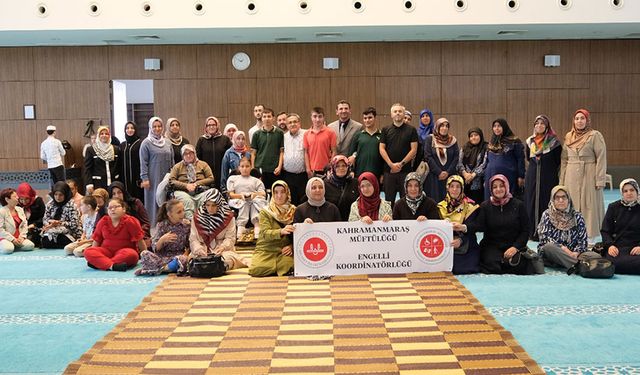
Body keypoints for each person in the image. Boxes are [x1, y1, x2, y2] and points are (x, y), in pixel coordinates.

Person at [465, 174, 537, 275]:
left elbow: (525, 230)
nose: (498, 189)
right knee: (492, 264)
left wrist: (515, 247)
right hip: (492, 246)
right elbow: (478, 226)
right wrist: (464, 227)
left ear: (507, 186)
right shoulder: (485, 206)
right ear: (491, 189)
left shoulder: (518, 205)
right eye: (495, 187)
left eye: (501, 186)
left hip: (512, 245)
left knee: (520, 265)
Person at [560, 109, 607, 243]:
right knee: (572, 204)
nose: (579, 121)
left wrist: (599, 179)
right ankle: (573, 234)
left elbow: (601, 157)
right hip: (571, 174)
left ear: (587, 120)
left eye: (582, 118)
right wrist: (562, 180)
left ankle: (590, 236)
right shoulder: (569, 136)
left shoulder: (595, 135)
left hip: (589, 172)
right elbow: (564, 159)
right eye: (577, 118)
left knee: (589, 204)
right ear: (573, 121)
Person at [190, 189, 250, 271]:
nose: (210, 208)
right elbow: (193, 239)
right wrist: (199, 250)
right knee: (192, 260)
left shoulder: (228, 217)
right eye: (208, 205)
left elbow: (230, 238)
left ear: (219, 204)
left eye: (214, 205)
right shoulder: (197, 218)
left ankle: (220, 267)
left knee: (228, 259)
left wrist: (222, 248)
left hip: (223, 250)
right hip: (202, 250)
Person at [524, 115, 562, 240]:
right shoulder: (530, 142)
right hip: (532, 177)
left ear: (547, 126)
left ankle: (547, 232)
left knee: (547, 203)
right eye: (537, 123)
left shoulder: (554, 142)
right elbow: (528, 158)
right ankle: (532, 232)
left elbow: (558, 161)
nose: (539, 126)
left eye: (542, 124)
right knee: (531, 202)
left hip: (548, 178)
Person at [84, 197, 146, 271]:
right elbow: (97, 240)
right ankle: (113, 266)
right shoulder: (103, 221)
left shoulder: (130, 221)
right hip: (106, 251)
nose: (113, 209)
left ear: (124, 209)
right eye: (110, 208)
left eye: (116, 207)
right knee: (88, 251)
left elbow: (140, 241)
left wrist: (145, 256)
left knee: (132, 255)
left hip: (124, 252)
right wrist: (94, 253)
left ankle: (101, 264)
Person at [249, 181, 296, 277]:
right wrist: (281, 231)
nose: (279, 196)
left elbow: (299, 234)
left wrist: (291, 246)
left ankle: (276, 268)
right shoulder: (265, 212)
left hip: (284, 250)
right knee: (256, 269)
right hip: (266, 249)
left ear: (287, 193)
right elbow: (265, 233)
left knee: (291, 265)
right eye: (276, 192)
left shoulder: (294, 211)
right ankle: (277, 269)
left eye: (283, 192)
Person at [537, 185, 589, 270]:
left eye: (564, 197)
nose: (561, 200)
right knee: (549, 247)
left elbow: (583, 240)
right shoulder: (547, 215)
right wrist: (565, 249)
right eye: (557, 198)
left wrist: (575, 252)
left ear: (568, 199)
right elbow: (545, 239)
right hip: (554, 252)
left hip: (574, 253)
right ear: (552, 200)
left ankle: (571, 263)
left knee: (593, 255)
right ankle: (579, 266)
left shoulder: (577, 216)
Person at [438, 176, 481, 274]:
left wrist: (461, 240)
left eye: (458, 186)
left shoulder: (470, 206)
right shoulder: (440, 206)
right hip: (446, 244)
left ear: (462, 188)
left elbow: (474, 228)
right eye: (452, 186)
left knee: (464, 268)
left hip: (466, 242)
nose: (454, 189)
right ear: (447, 188)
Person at [136, 199, 190, 276]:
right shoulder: (161, 225)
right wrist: (162, 240)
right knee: (145, 254)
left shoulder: (186, 225)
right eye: (179, 212)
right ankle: (165, 268)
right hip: (161, 258)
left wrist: (185, 255)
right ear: (170, 214)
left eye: (183, 210)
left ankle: (160, 269)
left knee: (183, 259)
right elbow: (155, 248)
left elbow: (189, 246)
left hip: (177, 257)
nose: (183, 214)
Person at [379, 103, 418, 204]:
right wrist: (391, 164)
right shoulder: (385, 130)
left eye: (400, 111)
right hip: (389, 171)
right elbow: (381, 149)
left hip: (405, 171)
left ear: (404, 114)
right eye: (395, 111)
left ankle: (405, 220)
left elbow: (413, 150)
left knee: (406, 200)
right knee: (388, 200)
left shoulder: (412, 130)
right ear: (391, 115)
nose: (397, 113)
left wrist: (401, 164)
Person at [140, 116, 175, 227]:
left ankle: (166, 224)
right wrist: (144, 178)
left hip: (166, 176)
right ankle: (153, 226)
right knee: (153, 200)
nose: (157, 128)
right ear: (150, 128)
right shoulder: (146, 143)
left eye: (159, 126)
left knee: (166, 199)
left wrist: (173, 175)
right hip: (152, 177)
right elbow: (143, 162)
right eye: (154, 126)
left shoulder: (167, 142)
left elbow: (172, 160)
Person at [601, 178, 640, 275]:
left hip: (636, 247)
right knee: (612, 264)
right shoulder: (613, 207)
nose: (629, 193)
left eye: (632, 190)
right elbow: (605, 231)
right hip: (618, 248)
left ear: (637, 191)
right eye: (625, 191)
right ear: (622, 193)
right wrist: (610, 246)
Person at [168, 144, 214, 220]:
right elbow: (171, 180)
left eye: (191, 153)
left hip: (200, 190)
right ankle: (191, 223)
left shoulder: (203, 164)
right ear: (182, 156)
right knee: (187, 201)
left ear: (195, 153)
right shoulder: (177, 166)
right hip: (183, 191)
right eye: (185, 154)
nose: (188, 155)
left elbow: (211, 178)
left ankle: (205, 221)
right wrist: (186, 185)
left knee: (212, 193)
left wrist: (196, 184)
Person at [484, 118, 525, 201]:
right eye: (494, 126)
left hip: (509, 175)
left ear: (504, 127)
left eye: (499, 126)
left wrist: (521, 176)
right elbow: (487, 160)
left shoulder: (514, 141)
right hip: (491, 175)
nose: (496, 128)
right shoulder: (491, 142)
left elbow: (520, 158)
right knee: (491, 200)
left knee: (507, 199)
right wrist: (485, 178)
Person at [227, 157, 267, 240]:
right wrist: (241, 196)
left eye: (247, 166)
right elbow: (231, 194)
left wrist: (254, 194)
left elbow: (263, 193)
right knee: (244, 203)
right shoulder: (233, 179)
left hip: (253, 199)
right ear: (239, 168)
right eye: (242, 166)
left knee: (255, 202)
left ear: (251, 167)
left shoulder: (256, 180)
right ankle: (241, 226)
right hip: (239, 199)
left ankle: (257, 225)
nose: (244, 169)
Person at [423, 117, 459, 202]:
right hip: (434, 176)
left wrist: (447, 172)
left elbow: (456, 157)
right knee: (434, 201)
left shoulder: (452, 140)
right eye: (442, 126)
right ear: (437, 127)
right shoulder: (430, 139)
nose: (445, 128)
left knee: (450, 200)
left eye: (447, 126)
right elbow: (428, 156)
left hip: (449, 176)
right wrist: (439, 172)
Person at [251, 108, 284, 192]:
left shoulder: (279, 133)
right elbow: (253, 153)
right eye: (264, 116)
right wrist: (253, 168)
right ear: (261, 119)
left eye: (269, 116)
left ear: (273, 118)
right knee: (262, 193)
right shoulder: (256, 134)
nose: (266, 119)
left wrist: (279, 166)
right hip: (261, 169)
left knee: (275, 192)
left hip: (275, 169)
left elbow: (281, 152)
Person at [41, 181, 82, 249]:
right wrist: (50, 224)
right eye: (56, 194)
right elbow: (45, 219)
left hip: (69, 232)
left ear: (65, 194)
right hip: (52, 230)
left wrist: (60, 223)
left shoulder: (72, 206)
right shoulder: (50, 205)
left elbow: (74, 224)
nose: (58, 197)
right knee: (45, 241)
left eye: (61, 195)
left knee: (62, 239)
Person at [196, 116, 232, 191]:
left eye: (213, 125)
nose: (211, 127)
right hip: (206, 175)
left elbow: (230, 155)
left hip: (222, 172)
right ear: (206, 127)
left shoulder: (225, 139)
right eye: (209, 125)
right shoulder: (201, 140)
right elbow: (197, 158)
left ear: (217, 126)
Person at [349, 107, 383, 180]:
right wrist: (351, 170)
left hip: (377, 173)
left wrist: (383, 174)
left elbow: (385, 157)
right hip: (360, 172)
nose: (367, 120)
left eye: (370, 117)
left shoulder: (382, 135)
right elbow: (351, 155)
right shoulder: (358, 135)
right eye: (365, 118)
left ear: (375, 118)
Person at [83, 125, 120, 194]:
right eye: (102, 134)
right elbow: (87, 168)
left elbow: (119, 167)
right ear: (98, 136)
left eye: (106, 134)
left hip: (113, 183)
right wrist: (89, 184)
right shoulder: (91, 150)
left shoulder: (116, 149)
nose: (104, 135)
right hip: (98, 184)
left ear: (109, 136)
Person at [457, 127, 488, 205]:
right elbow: (459, 163)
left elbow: (485, 164)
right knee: (466, 206)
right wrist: (465, 174)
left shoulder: (486, 147)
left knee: (478, 206)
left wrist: (473, 175)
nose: (473, 137)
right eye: (471, 136)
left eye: (476, 135)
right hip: (465, 182)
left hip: (480, 183)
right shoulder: (465, 147)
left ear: (480, 136)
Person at [282, 113, 307, 205]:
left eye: (295, 122)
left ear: (299, 123)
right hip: (288, 175)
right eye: (290, 122)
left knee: (304, 200)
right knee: (291, 201)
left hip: (303, 175)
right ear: (287, 125)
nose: (293, 124)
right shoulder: (284, 137)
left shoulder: (306, 134)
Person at [323, 155, 358, 221]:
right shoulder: (325, 184)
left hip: (352, 223)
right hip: (332, 223)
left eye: (344, 166)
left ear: (348, 167)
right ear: (333, 168)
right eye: (337, 166)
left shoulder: (355, 183)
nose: (341, 168)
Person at [304, 107, 337, 177]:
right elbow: (306, 152)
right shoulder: (306, 134)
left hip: (326, 171)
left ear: (323, 117)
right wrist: (308, 169)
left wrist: (330, 167)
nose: (317, 119)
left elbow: (334, 151)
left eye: (320, 116)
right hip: (312, 171)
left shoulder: (331, 132)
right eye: (315, 116)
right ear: (311, 117)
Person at [0, 188, 36, 254]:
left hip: (18, 237)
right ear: (7, 199)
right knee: (8, 249)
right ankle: (7, 244)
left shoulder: (20, 209)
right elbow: (0, 230)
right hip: (5, 237)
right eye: (15, 196)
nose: (18, 198)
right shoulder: (1, 211)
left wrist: (22, 237)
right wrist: (12, 239)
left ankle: (14, 245)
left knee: (30, 246)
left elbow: (25, 225)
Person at [120, 121, 144, 203]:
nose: (129, 130)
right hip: (125, 179)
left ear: (135, 130)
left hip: (137, 178)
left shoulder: (141, 143)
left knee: (138, 201)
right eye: (127, 128)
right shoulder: (122, 145)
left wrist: (142, 178)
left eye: (132, 128)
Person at [16, 182, 45, 247]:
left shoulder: (38, 201)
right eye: (21, 199)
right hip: (22, 229)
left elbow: (43, 217)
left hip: (36, 227)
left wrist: (34, 225)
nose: (24, 202)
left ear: (31, 196)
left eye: (27, 199)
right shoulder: (17, 204)